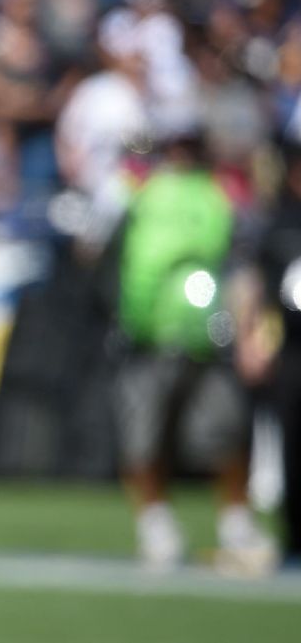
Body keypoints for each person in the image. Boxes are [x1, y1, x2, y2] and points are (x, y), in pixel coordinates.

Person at [111, 119, 276, 575]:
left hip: (208, 331)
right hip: (145, 332)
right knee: (142, 434)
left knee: (224, 431)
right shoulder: (135, 194)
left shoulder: (222, 196)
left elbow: (243, 265)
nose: (182, 155)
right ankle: (155, 523)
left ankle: (236, 523)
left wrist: (246, 331)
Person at [235, 140, 301, 567]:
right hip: (293, 348)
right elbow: (252, 283)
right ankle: (294, 534)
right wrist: (248, 339)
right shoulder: (278, 222)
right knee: (292, 443)